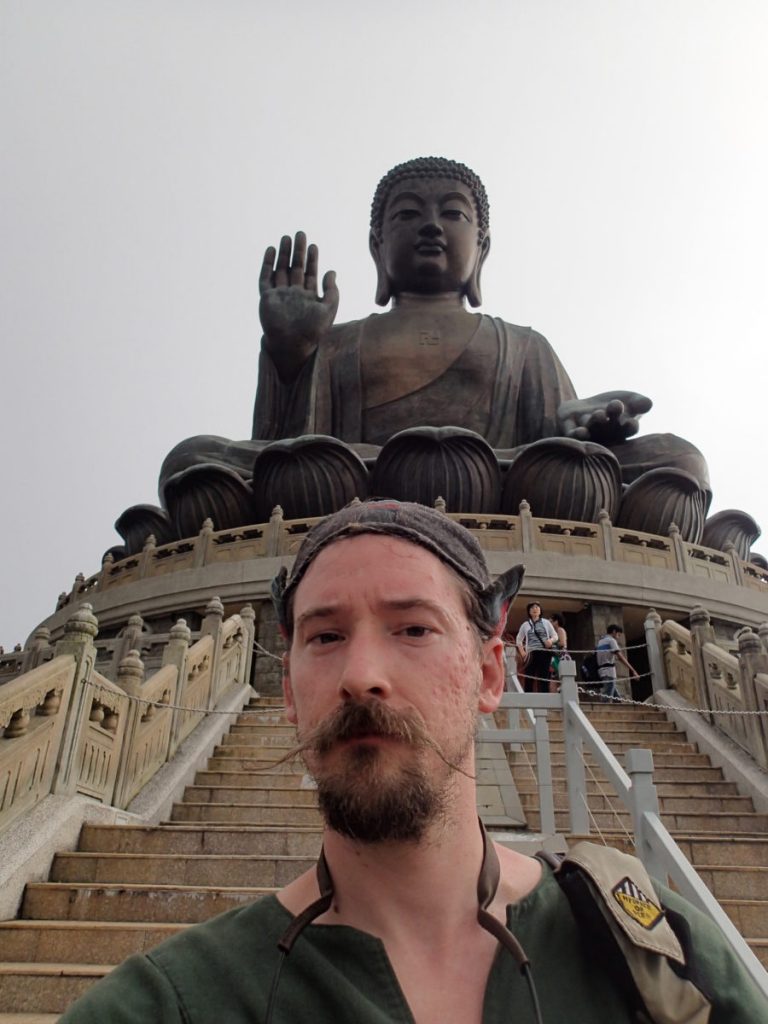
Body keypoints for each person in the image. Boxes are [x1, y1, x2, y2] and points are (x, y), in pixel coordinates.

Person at [59, 501, 765, 1022]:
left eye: (414, 629)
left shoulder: (653, 953)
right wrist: (293, 353)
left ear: (492, 675)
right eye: (326, 635)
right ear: (288, 692)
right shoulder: (174, 1004)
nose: (361, 674)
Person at [158, 157, 710, 533]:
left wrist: (584, 432)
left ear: (482, 248)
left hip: (503, 478)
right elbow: (288, 449)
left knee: (681, 459)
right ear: (377, 247)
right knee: (190, 460)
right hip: (359, 478)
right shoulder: (341, 342)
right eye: (407, 214)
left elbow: (554, 449)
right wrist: (290, 354)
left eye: (452, 213)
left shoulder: (523, 345)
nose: (430, 226)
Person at [515, 602, 558, 694]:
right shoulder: (525, 625)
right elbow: (519, 639)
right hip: (531, 653)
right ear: (529, 612)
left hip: (544, 652)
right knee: (529, 675)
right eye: (532, 608)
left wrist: (550, 641)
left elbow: (555, 636)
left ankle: (545, 697)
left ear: (540, 611)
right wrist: (522, 652)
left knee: (544, 676)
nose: (535, 609)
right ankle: (528, 698)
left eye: (537, 607)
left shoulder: (546, 622)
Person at [596, 623, 640, 700]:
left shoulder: (600, 641)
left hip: (601, 672)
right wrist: (633, 670)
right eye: (618, 635)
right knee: (606, 698)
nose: (618, 637)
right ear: (614, 632)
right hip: (609, 672)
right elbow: (620, 657)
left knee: (617, 698)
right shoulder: (611, 641)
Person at [548, 612, 569, 691]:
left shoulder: (560, 630)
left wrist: (551, 644)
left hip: (561, 656)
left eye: (551, 621)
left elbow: (562, 643)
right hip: (554, 656)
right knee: (553, 677)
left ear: (556, 621)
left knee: (562, 677)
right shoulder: (552, 633)